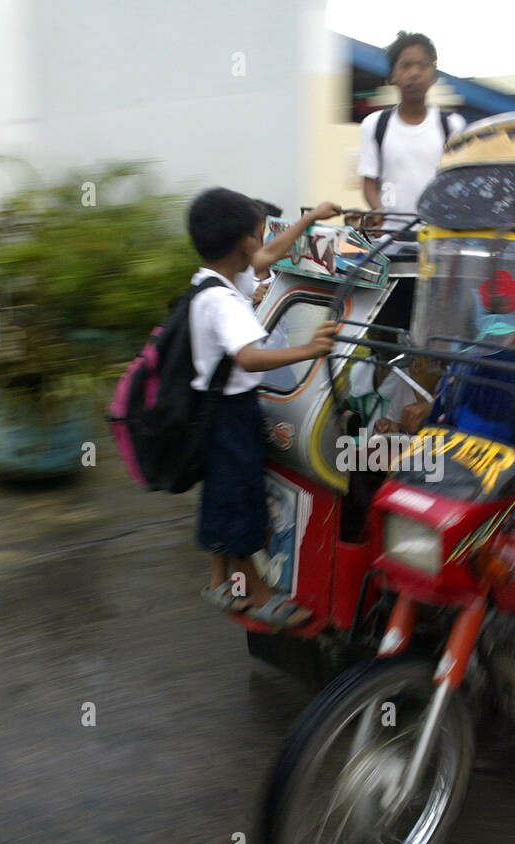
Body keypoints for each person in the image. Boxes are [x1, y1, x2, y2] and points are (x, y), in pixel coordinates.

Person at [186, 188, 337, 628]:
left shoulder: (214, 281)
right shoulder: (224, 300)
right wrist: (309, 349)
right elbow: (250, 357)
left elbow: (271, 253)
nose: (264, 242)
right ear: (245, 243)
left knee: (221, 494)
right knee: (241, 499)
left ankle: (220, 580)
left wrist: (310, 221)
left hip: (213, 409)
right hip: (232, 412)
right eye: (259, 233)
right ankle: (257, 591)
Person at [357, 32, 465, 224]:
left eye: (423, 65)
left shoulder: (452, 125)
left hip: (436, 240)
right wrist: (379, 212)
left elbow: (459, 183)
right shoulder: (374, 125)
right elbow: (369, 184)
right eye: (406, 66)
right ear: (392, 75)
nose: (414, 73)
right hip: (388, 243)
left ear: (434, 74)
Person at [239, 199, 343, 307]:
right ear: (262, 229)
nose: (283, 235)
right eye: (277, 228)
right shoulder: (237, 276)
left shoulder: (290, 274)